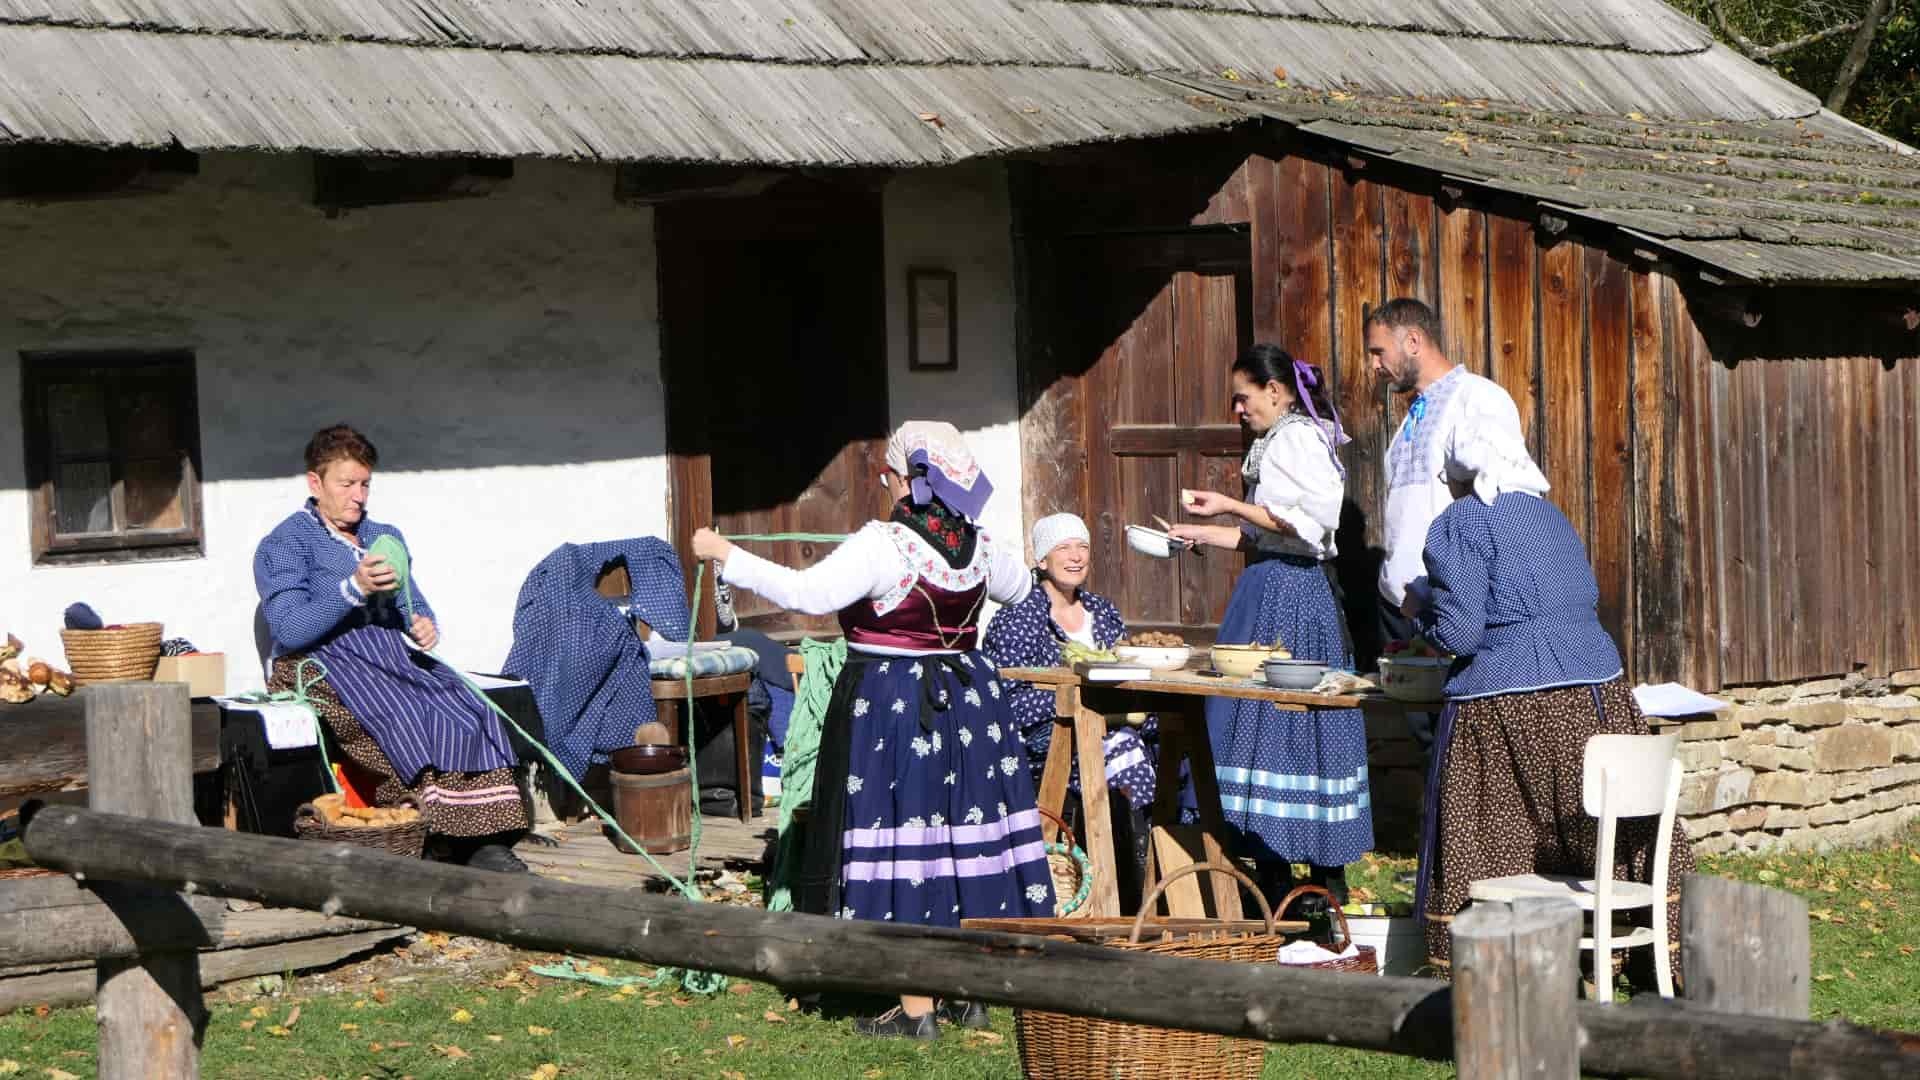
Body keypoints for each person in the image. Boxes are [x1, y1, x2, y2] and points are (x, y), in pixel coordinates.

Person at [691, 421, 1052, 1040]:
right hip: (969, 704)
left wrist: (726, 556)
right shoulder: (982, 545)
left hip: (895, 707)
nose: (884, 483)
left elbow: (807, 592)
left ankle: (914, 1012)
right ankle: (968, 995)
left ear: (903, 478)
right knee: (958, 840)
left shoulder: (884, 543)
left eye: (887, 473)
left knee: (907, 839)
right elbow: (1020, 591)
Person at [1411, 425, 1696, 987]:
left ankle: (1499, 965)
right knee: (1597, 825)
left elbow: (1462, 634)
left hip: (1505, 699)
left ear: (1455, 476)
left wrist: (1419, 609)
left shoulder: (1461, 522)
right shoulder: (1550, 516)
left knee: (1495, 829)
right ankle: (1622, 956)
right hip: (1598, 689)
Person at [254, 424, 528, 872]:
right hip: (322, 661)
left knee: (466, 705)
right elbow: (289, 625)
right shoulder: (283, 545)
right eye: (346, 484)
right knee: (403, 715)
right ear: (314, 483)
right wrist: (353, 586)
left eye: (365, 485)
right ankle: (438, 835)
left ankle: (487, 837)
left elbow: (411, 601)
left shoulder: (383, 536)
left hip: (387, 656)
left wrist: (423, 624)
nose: (358, 496)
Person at [1169, 344, 1371, 906]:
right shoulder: (1275, 442)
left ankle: (1312, 878)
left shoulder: (1299, 438)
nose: (1237, 408)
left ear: (1275, 391)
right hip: (1267, 584)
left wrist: (1231, 506)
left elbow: (1308, 525)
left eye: (1243, 396)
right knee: (1252, 721)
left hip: (1292, 594)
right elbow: (1266, 532)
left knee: (1285, 722)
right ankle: (1271, 868)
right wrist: (1199, 531)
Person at [1368, 298, 1528, 751]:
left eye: (1379, 352)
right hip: (1404, 608)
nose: (1375, 366)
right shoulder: (1413, 417)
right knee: (1429, 752)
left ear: (1413, 341)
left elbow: (1502, 498)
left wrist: (1454, 592)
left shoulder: (1477, 399)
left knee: (1462, 745)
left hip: (1447, 604)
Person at [983, 513, 1157, 889]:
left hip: (1115, 727)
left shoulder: (1104, 612)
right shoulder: (1017, 619)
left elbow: (1128, 673)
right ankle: (1133, 888)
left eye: (1082, 547)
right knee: (1129, 751)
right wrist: (1083, 700)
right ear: (1042, 559)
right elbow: (1010, 702)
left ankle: (1155, 879)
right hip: (1049, 736)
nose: (1076, 556)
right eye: (1063, 547)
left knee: (1175, 744)